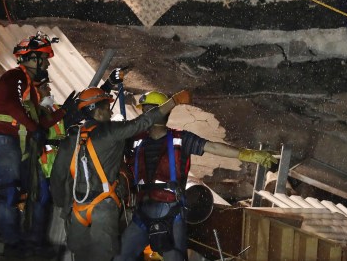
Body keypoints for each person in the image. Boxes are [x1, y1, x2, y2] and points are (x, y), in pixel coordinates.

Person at [115, 91, 277, 261]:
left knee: (174, 258)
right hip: (141, 212)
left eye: (149, 110)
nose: (145, 116)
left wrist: (246, 154)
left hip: (170, 212)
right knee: (121, 257)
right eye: (144, 111)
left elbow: (213, 147)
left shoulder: (181, 138)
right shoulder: (134, 139)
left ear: (162, 112)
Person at [49, 87, 193, 261]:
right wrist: (173, 101)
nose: (110, 111)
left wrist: (63, 208)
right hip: (103, 207)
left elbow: (58, 175)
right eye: (106, 107)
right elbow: (143, 122)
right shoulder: (112, 131)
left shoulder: (72, 137)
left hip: (77, 209)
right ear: (98, 111)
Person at [0, 32, 78, 257]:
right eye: (43, 58)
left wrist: (64, 112)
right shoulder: (15, 76)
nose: (46, 63)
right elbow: (12, 106)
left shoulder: (29, 90)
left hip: (13, 141)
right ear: (32, 58)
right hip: (1, 138)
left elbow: (39, 122)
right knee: (9, 190)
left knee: (27, 192)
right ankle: (11, 243)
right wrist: (34, 129)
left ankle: (27, 241)